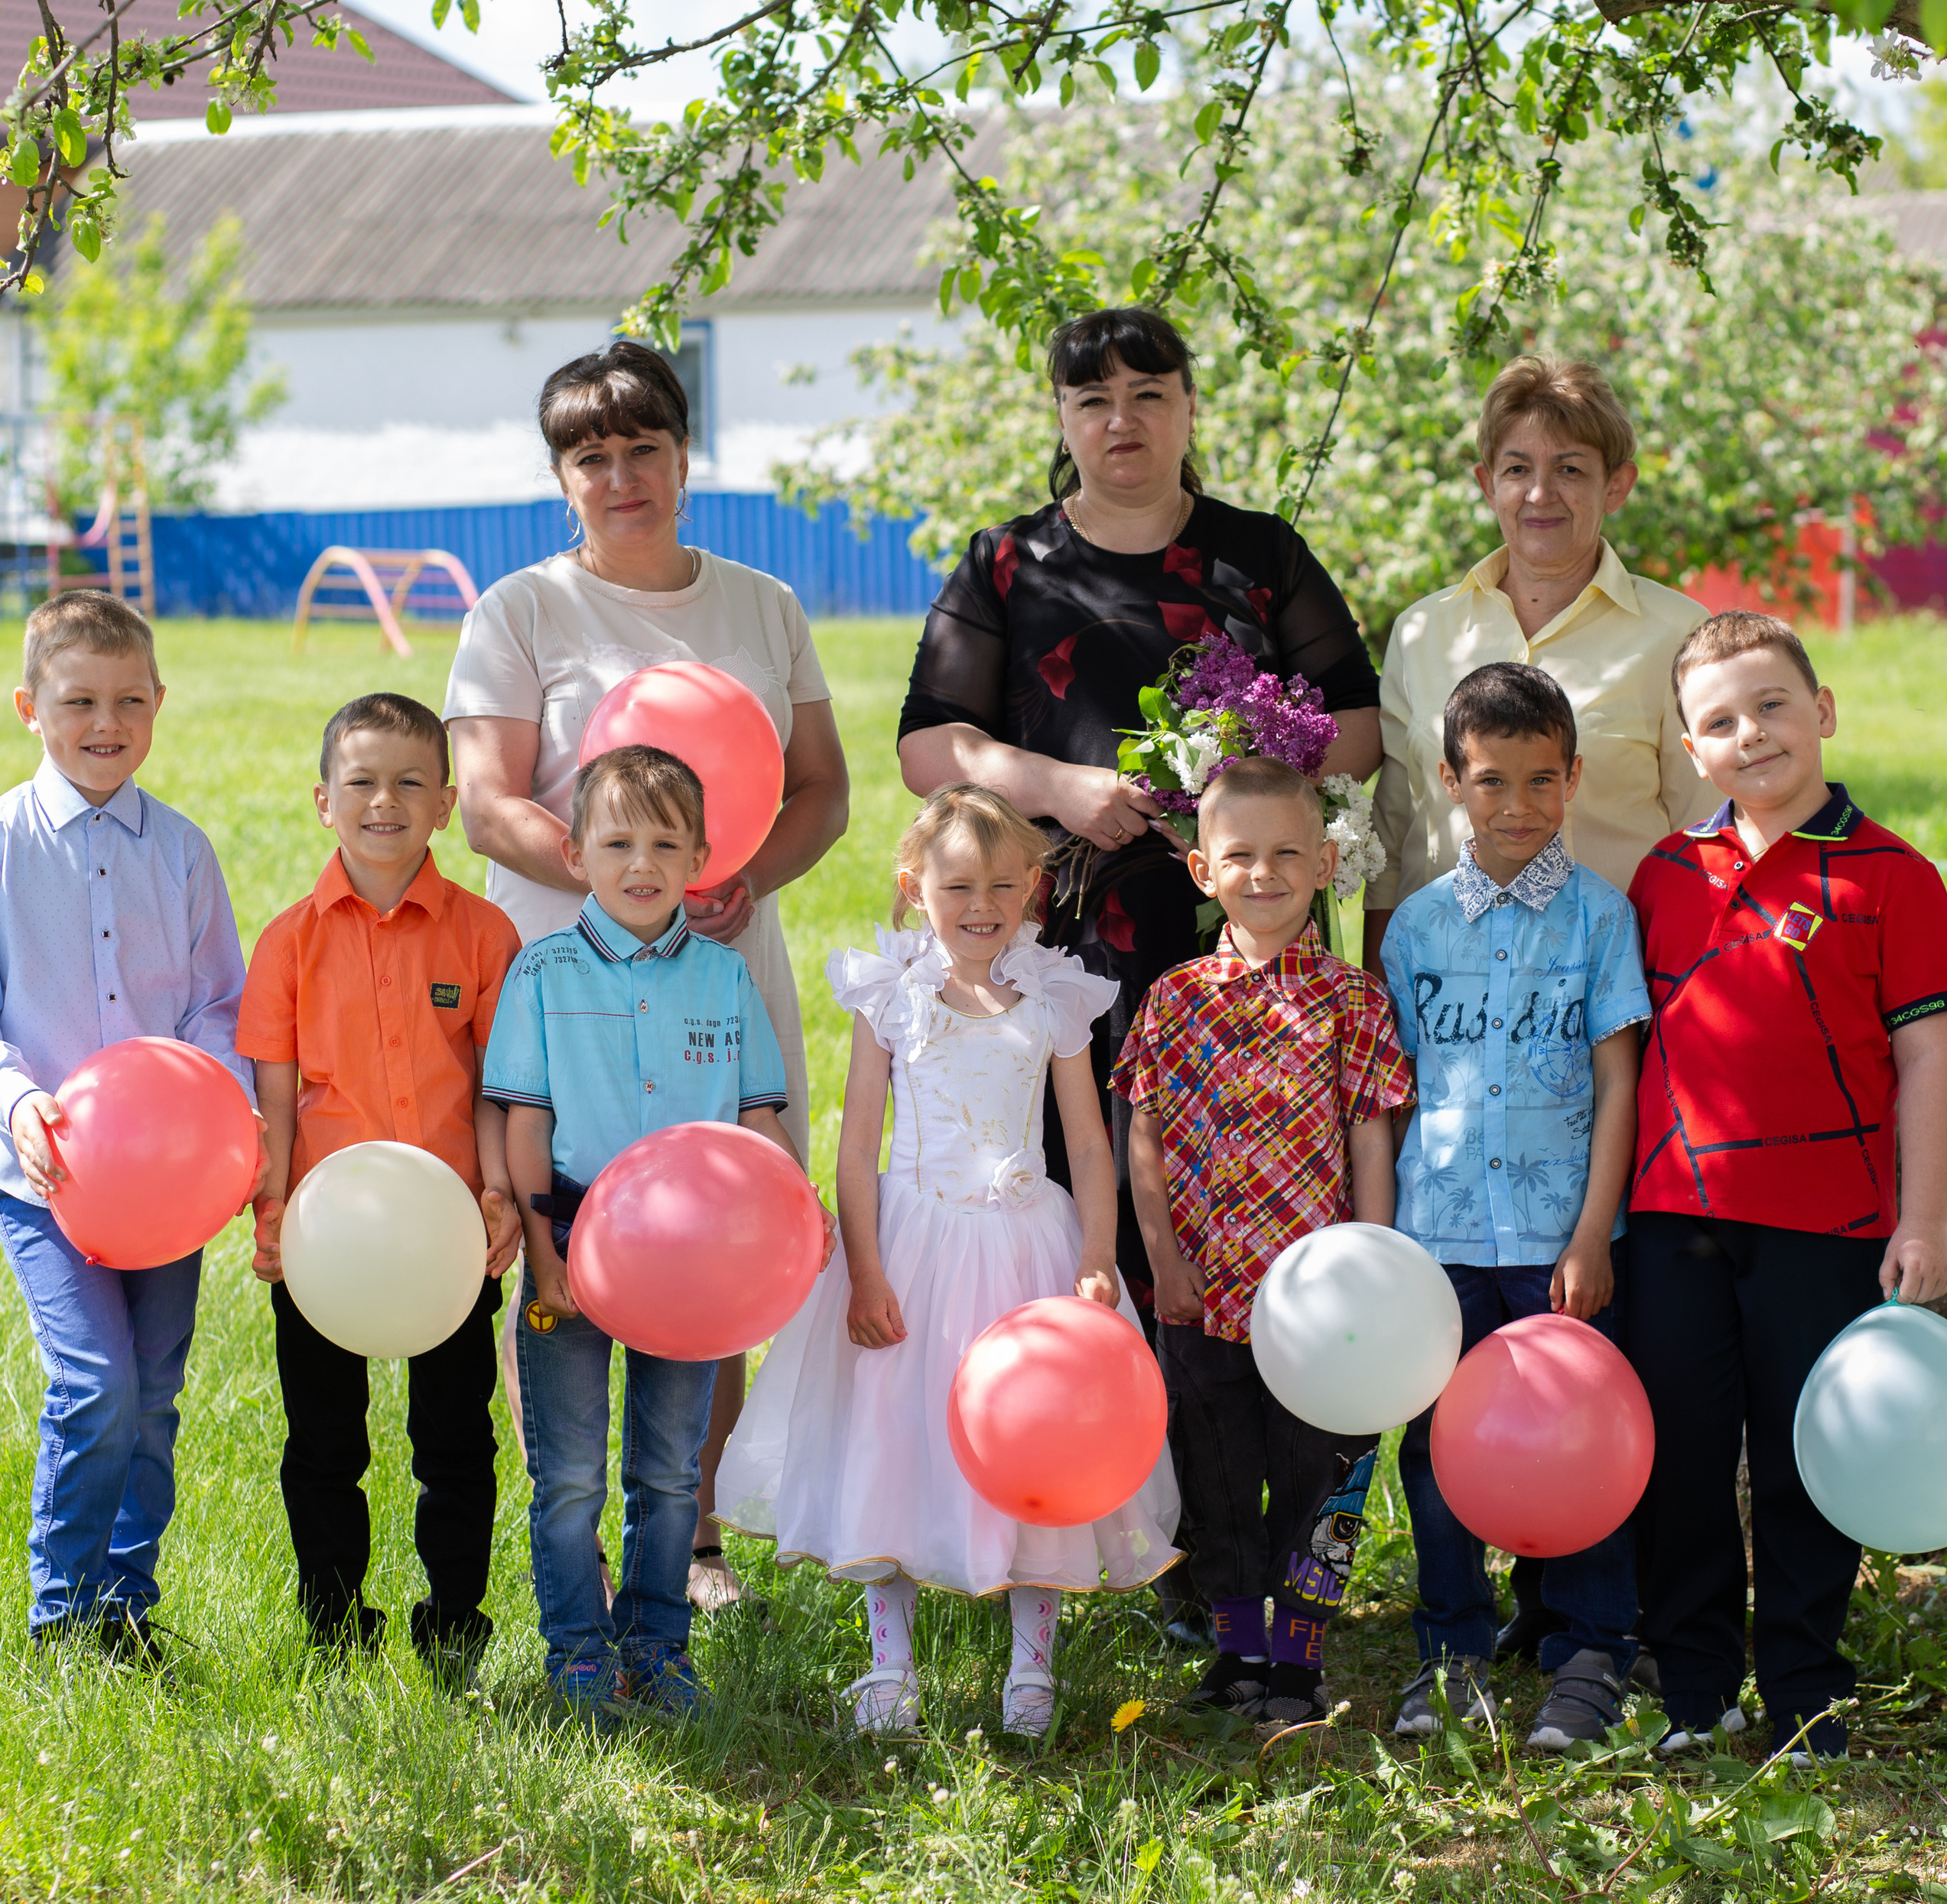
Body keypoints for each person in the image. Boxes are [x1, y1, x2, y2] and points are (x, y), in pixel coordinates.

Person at [898, 307, 1380, 1640]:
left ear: (1187, 405)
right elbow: (929, 745)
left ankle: (1253, 1548)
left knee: (1241, 1228)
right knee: (1090, 1224)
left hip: (1246, 952)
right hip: (1061, 959)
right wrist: (1055, 783)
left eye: (1150, 392)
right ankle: (1103, 1513)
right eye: (1093, 396)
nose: (1122, 419)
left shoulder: (1256, 554)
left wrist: (1237, 766)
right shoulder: (1008, 563)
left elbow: (1358, 726)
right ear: (1059, 417)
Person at [445, 341, 850, 1610]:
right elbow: (481, 802)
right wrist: (614, 871)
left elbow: (826, 790)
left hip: (720, 963)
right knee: (556, 1216)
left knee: (714, 1220)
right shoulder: (520, 610)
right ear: (564, 474)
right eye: (591, 456)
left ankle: (703, 1531)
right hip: (565, 976)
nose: (621, 475)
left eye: (643, 449)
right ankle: (576, 1527)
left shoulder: (761, 607)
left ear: (683, 455)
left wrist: (735, 882)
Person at [1363, 353, 1715, 1664]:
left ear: (1615, 480)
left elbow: (1706, 830)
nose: (1543, 491)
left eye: (1572, 466)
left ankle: (1589, 1618)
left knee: (1593, 1344)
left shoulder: (1672, 631)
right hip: (1456, 1032)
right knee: (1459, 1384)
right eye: (1518, 465)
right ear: (1484, 478)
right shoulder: (1424, 632)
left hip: (1618, 1010)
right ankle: (1480, 1621)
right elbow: (1399, 841)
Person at [714, 784, 1180, 1738]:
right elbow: (856, 1149)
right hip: (913, 1246)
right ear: (913, 888)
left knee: (1040, 1433)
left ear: (1033, 892)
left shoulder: (1052, 1000)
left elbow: (1089, 1144)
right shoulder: (892, 997)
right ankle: (890, 1669)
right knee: (894, 1436)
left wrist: (1096, 1253)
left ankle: (1031, 1669)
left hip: (1026, 1248)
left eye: (1004, 887)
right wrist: (868, 1270)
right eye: (959, 885)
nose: (982, 905)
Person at [1627, 611, 1947, 1766]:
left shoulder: (1895, 880)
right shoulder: (1663, 877)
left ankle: (1806, 1690)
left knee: (1812, 1459)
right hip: (1672, 1220)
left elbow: (1926, 1059)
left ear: (1823, 711)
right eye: (1719, 721)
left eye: (1770, 705)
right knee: (1686, 1453)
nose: (1750, 733)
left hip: (1834, 1223)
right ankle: (1696, 1684)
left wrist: (1927, 1216)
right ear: (1691, 749)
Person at [483, 742, 826, 1719]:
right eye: (618, 839)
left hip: (697, 1266)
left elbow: (760, 1121)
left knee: (672, 1471)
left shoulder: (723, 980)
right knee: (569, 1476)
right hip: (573, 1242)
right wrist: (545, 1252)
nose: (641, 862)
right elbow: (526, 1118)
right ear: (575, 852)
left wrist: (794, 1216)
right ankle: (576, 1651)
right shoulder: (541, 973)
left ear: (701, 856)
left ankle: (657, 1643)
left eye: (665, 843)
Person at [1380, 665, 1650, 1750]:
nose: (1520, 806)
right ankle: (1453, 1647)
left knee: (1575, 1442)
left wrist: (1592, 1232)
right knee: (1443, 1454)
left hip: (1558, 1245)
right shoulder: (1414, 929)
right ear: (1451, 781)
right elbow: (1392, 1090)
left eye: (1544, 780)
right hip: (1438, 1241)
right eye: (1492, 781)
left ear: (1575, 778)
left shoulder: (1600, 918)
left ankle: (1591, 1648)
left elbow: (1621, 1076)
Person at [1115, 757, 1413, 1724]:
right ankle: (1237, 1648)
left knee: (1314, 1477)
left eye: (1288, 852)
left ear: (1326, 863)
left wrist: (1369, 1272)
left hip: (1321, 1306)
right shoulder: (1175, 997)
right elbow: (1145, 1135)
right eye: (1239, 854)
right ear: (1202, 870)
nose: (1265, 871)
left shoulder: (1349, 1001)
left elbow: (1372, 1137)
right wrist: (1161, 1258)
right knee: (1213, 1472)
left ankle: (1299, 1658)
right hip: (1201, 1291)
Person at [0, 590, 259, 1659]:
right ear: (29, 706)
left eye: (129, 702)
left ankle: (125, 1607)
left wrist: (215, 1097)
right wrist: (15, 1102)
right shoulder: (1, 846)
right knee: (96, 1381)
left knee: (153, 1397)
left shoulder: (183, 853)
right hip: (44, 1177)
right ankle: (60, 1611)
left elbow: (215, 1004)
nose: (107, 722)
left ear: (158, 705)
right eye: (79, 700)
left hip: (167, 1185)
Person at [236, 694, 523, 1678]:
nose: (383, 800)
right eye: (360, 780)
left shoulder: (486, 936)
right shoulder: (287, 944)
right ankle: (334, 1626)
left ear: (446, 802)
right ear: (324, 800)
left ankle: (453, 1621)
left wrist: (500, 1197)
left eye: (409, 781)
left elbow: (499, 1088)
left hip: (451, 1236)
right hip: (326, 1242)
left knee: (455, 1436)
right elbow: (275, 1102)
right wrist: (270, 1210)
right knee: (323, 1441)